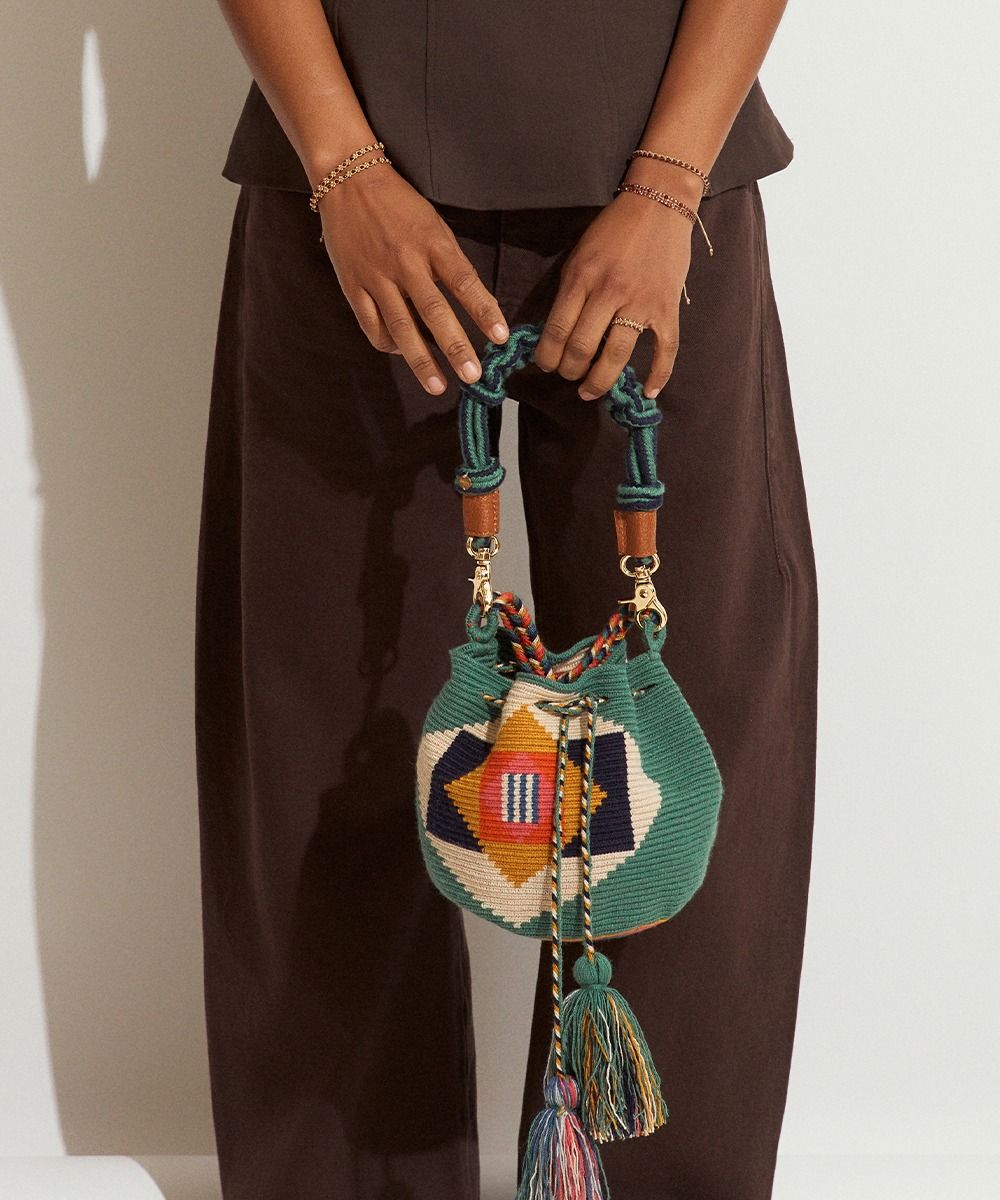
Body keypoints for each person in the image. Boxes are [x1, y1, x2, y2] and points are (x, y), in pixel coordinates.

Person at [195, 3, 818, 1198]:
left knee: (684, 743)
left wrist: (667, 190)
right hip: (350, 203)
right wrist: (343, 170)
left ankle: (655, 1179)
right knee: (330, 724)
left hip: (661, 193)